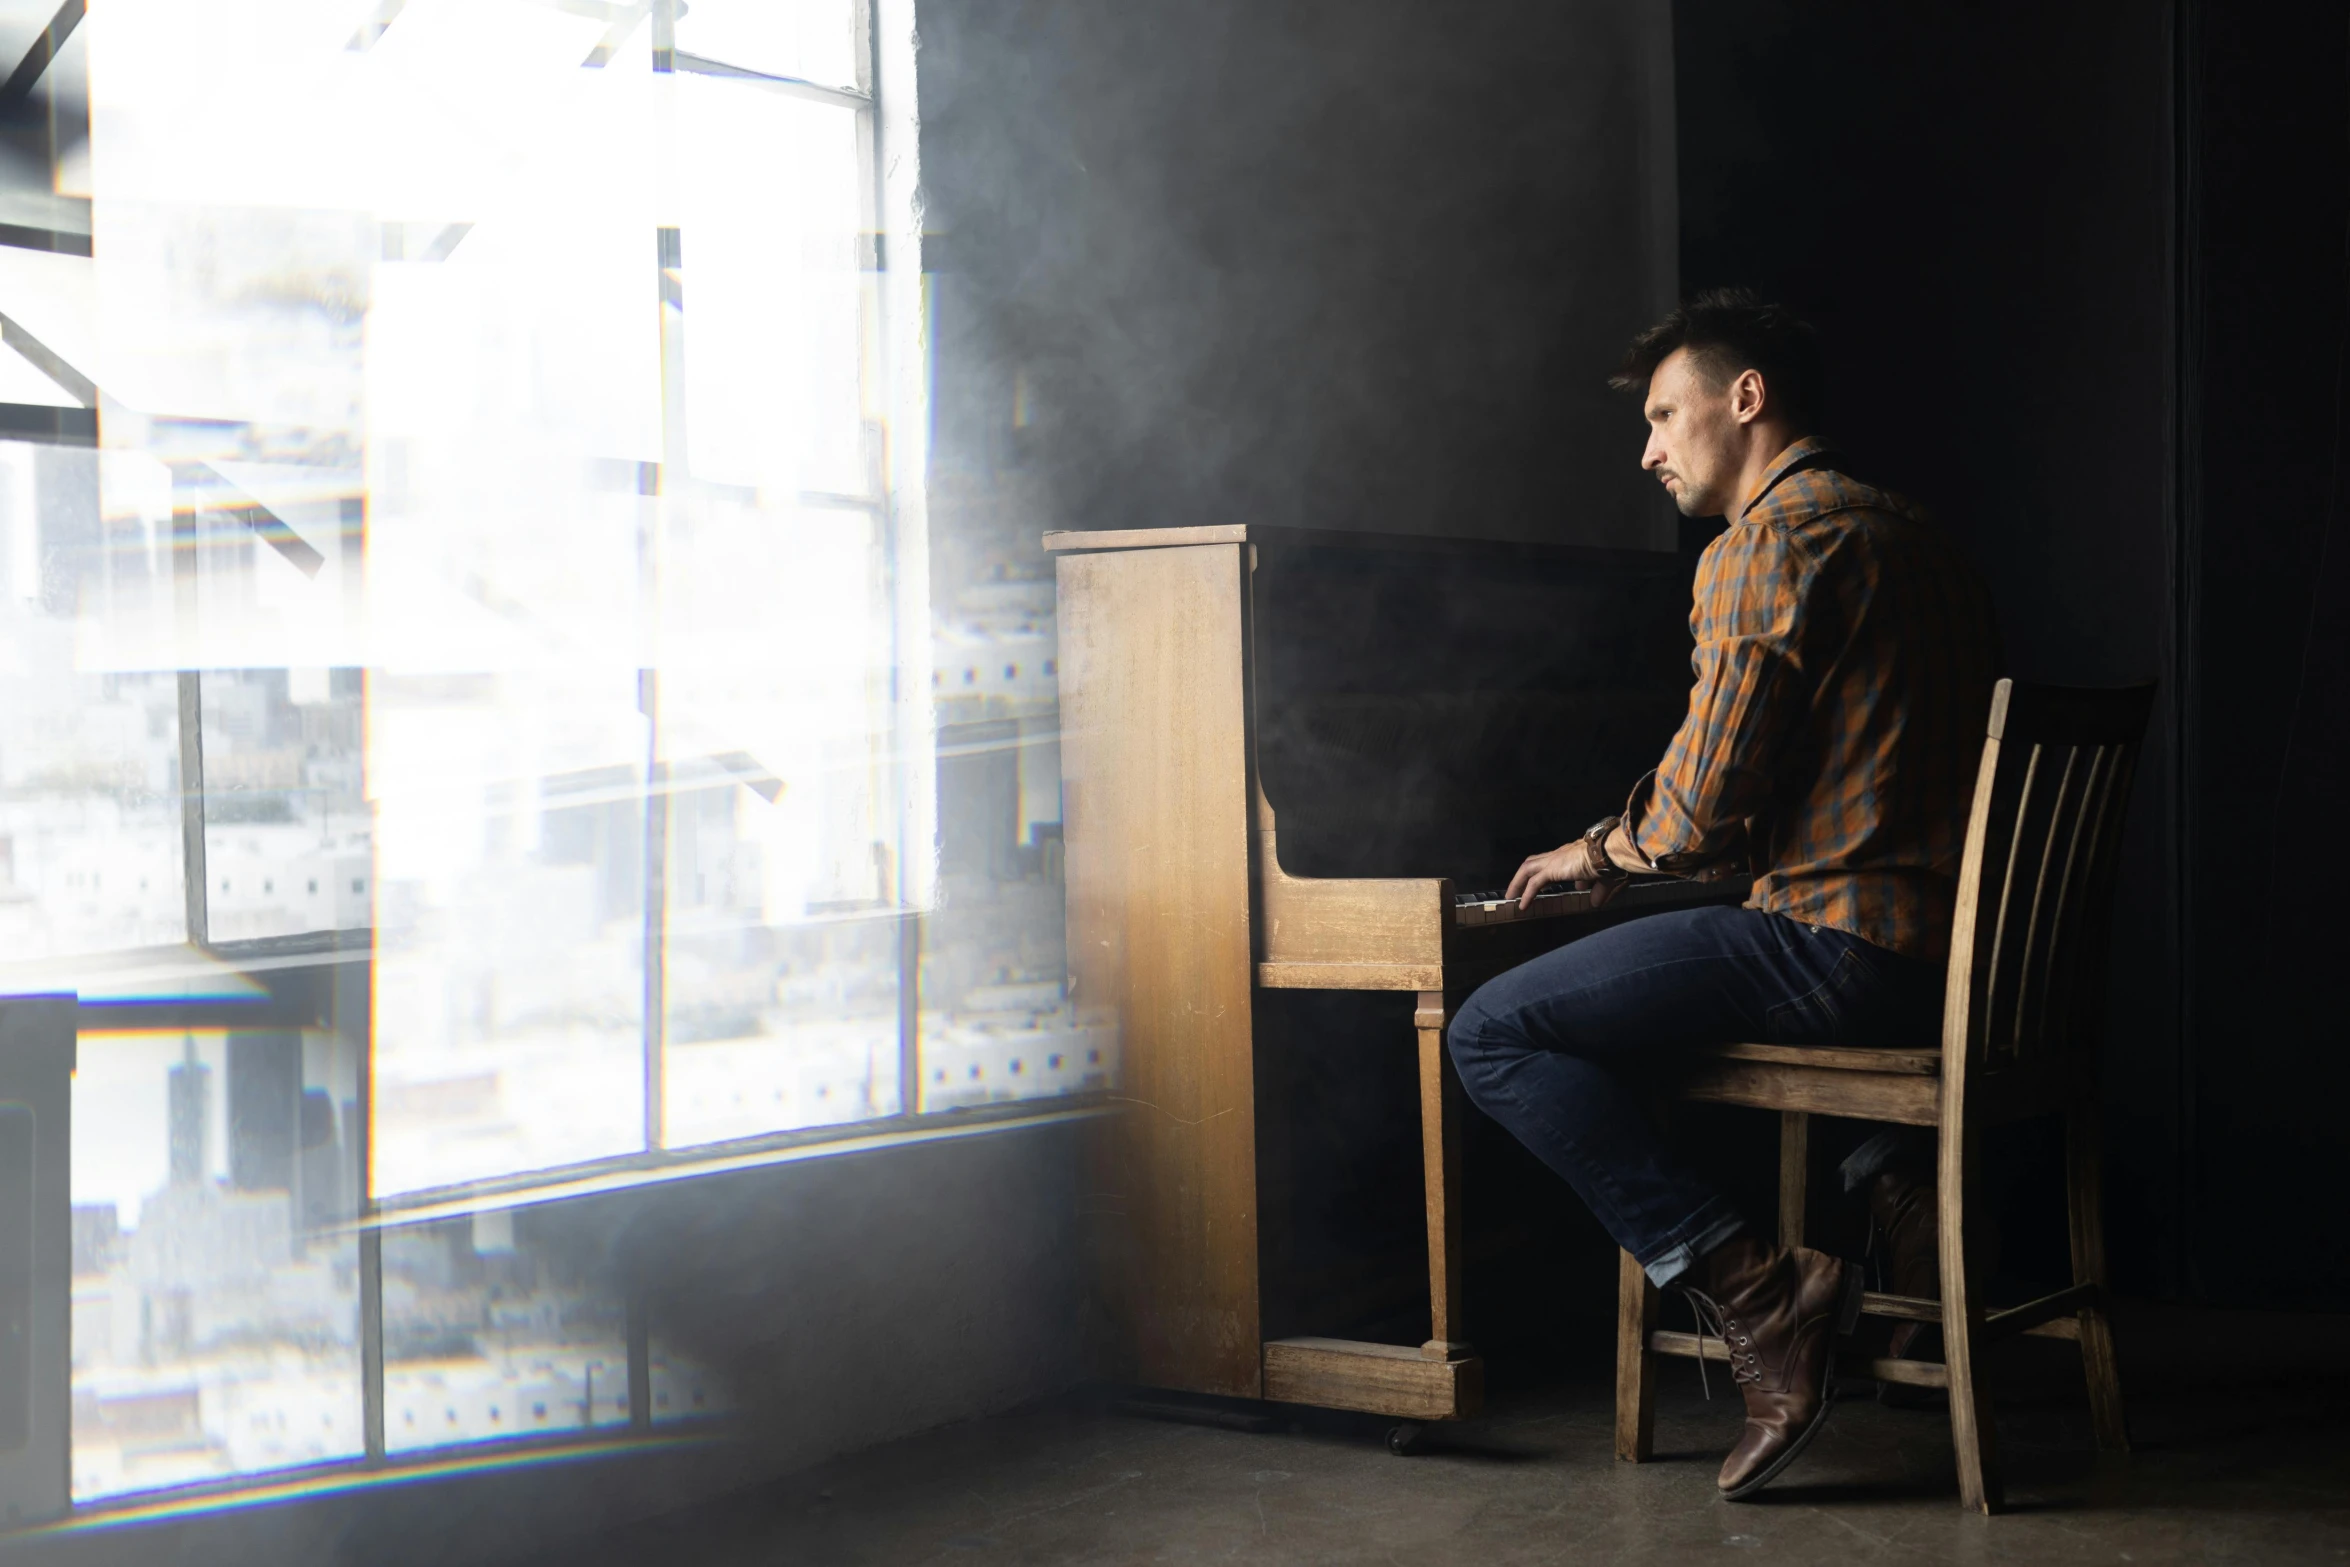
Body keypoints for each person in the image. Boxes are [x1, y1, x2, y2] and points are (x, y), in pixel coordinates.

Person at [1447, 288, 1998, 1500]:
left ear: (1743, 399)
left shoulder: (1768, 544)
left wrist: (1589, 853)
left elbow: (1696, 820)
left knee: (1492, 1028)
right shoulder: (1919, 537)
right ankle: (1899, 1209)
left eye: (1662, 413)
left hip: (1845, 952)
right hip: (1957, 963)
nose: (1647, 448)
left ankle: (1761, 1292)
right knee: (1659, 959)